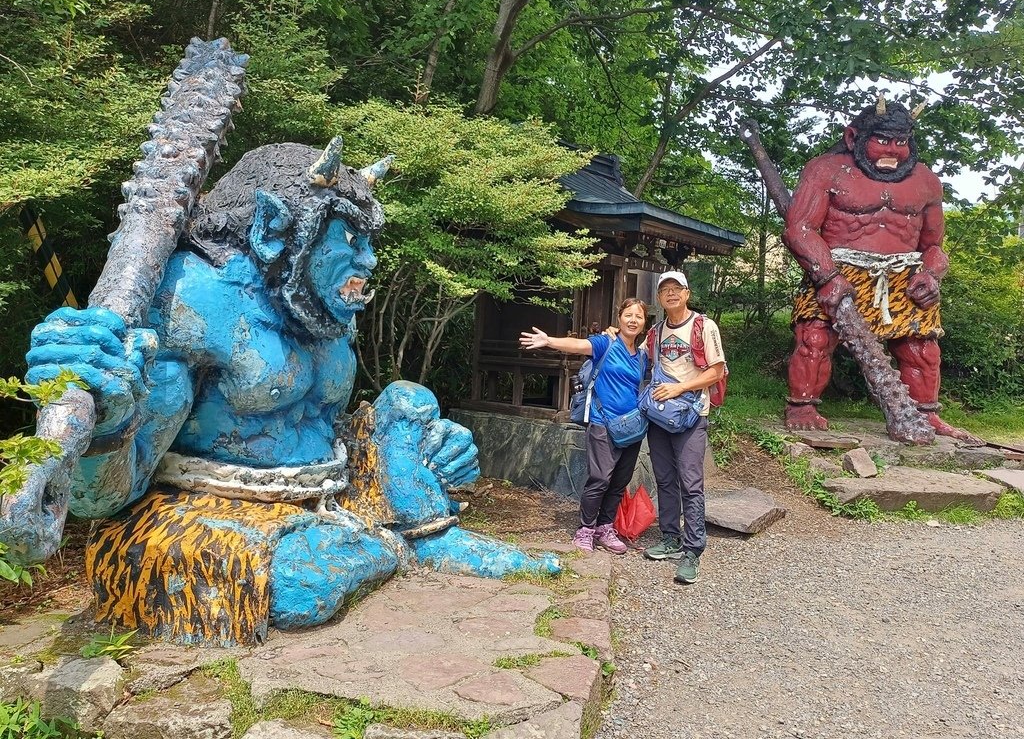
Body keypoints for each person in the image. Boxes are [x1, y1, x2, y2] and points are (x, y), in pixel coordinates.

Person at [19, 139, 555, 642]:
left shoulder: (320, 305)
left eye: (370, 242)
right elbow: (109, 494)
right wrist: (108, 425)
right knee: (301, 583)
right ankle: (385, 544)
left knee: (411, 401)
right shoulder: (195, 300)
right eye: (350, 240)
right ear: (272, 230)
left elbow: (322, 420)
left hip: (330, 488)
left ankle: (432, 537)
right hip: (216, 506)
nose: (368, 260)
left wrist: (433, 450)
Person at [782, 97, 980, 444]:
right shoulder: (825, 171)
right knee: (815, 338)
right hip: (838, 268)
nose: (893, 150)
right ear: (852, 137)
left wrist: (932, 274)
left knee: (922, 349)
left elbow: (933, 246)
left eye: (901, 142)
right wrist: (827, 275)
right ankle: (802, 406)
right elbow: (799, 230)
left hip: (904, 275)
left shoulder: (925, 181)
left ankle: (925, 412)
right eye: (883, 140)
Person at [519, 298, 649, 554]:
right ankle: (586, 529)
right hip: (602, 423)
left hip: (631, 427)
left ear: (644, 323)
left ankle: (605, 528)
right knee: (600, 478)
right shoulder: (606, 343)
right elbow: (579, 345)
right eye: (628, 315)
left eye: (639, 316)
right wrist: (550, 341)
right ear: (619, 317)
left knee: (619, 482)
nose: (633, 320)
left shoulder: (643, 355)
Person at [642, 271, 725, 585]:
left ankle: (693, 549)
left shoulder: (704, 326)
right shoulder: (656, 331)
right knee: (664, 480)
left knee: (690, 484)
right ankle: (670, 538)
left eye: (677, 289)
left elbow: (716, 372)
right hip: (660, 418)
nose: (671, 294)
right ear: (660, 298)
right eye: (665, 290)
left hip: (691, 416)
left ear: (687, 294)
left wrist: (679, 388)